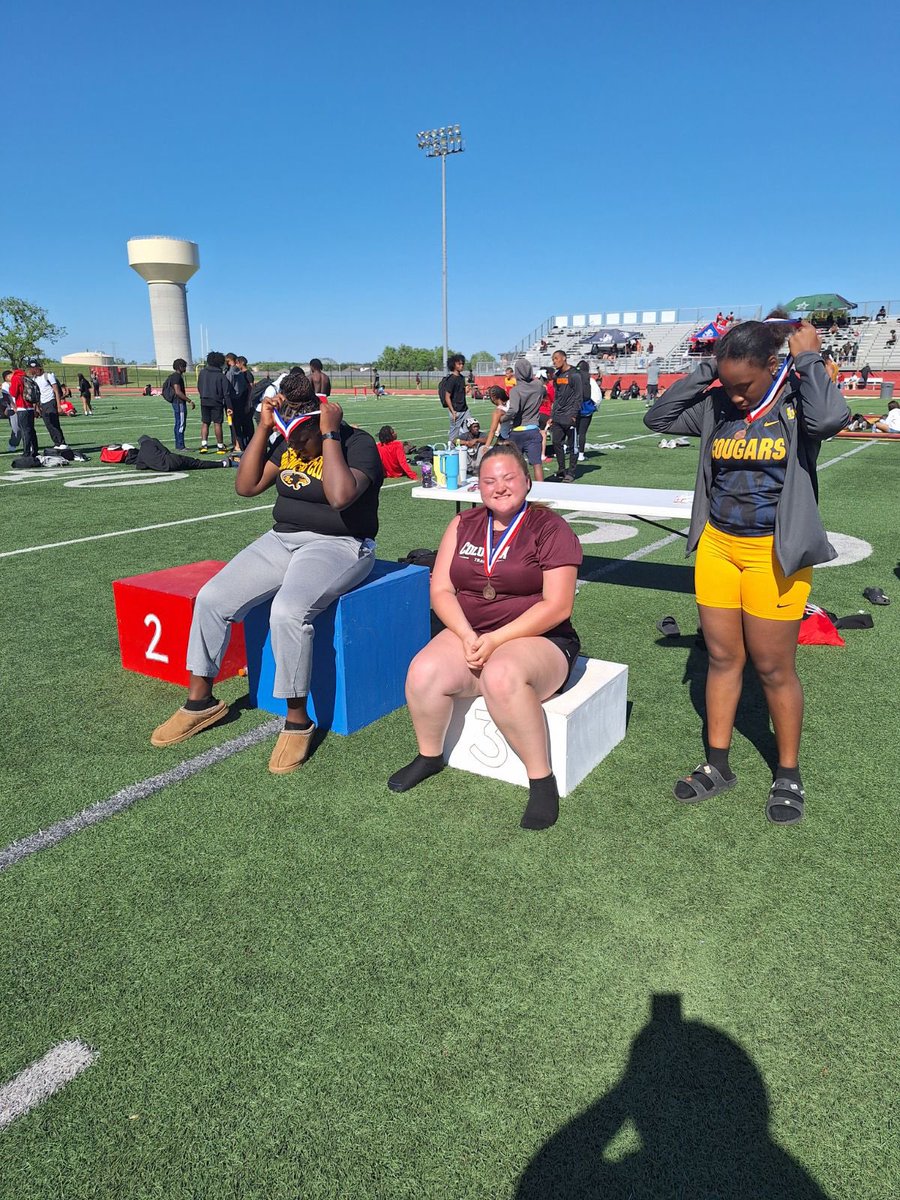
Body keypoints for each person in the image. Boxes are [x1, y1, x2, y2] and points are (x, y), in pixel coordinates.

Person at [644, 313, 850, 825]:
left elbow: (831, 421)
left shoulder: (797, 403)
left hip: (772, 553)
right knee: (720, 657)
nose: (736, 396)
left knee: (773, 667)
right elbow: (659, 418)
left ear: (772, 367)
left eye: (745, 385)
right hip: (718, 545)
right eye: (728, 384)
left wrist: (808, 359)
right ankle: (718, 765)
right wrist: (705, 374)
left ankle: (787, 772)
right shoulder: (717, 405)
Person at [151, 371, 384, 772]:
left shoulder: (356, 443)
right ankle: (202, 700)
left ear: (323, 424)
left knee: (288, 612)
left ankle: (297, 720)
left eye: (302, 440)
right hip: (282, 539)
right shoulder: (288, 438)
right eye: (289, 439)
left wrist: (328, 438)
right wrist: (263, 428)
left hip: (340, 544)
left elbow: (340, 496)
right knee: (212, 598)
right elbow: (247, 485)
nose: (295, 448)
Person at [387, 443, 583, 830]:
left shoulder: (550, 527)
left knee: (501, 676)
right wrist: (464, 634)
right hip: (472, 632)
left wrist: (495, 641)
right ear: (478, 487)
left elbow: (558, 606)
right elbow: (441, 590)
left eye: (509, 477)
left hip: (542, 638)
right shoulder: (463, 524)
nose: (500, 487)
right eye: (489, 480)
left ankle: (541, 778)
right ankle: (430, 755)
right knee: (423, 671)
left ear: (527, 481)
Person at [507, 358, 546, 481]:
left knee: (515, 465)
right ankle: (543, 491)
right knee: (537, 464)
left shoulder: (515, 390)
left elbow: (513, 410)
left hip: (517, 431)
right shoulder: (538, 387)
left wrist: (502, 418)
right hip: (533, 429)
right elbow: (543, 389)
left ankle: (519, 488)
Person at [549, 349, 582, 482]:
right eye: (553, 359)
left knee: (572, 445)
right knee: (556, 442)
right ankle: (562, 469)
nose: (554, 361)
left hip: (570, 415)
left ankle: (572, 472)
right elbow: (557, 396)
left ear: (564, 358)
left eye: (556, 358)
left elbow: (579, 396)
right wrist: (552, 414)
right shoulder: (556, 376)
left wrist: (574, 415)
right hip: (558, 415)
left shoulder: (575, 375)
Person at [196, 350, 233, 454]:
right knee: (217, 423)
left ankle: (204, 445)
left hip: (204, 400)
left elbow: (199, 386)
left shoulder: (202, 372)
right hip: (216, 401)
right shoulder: (221, 375)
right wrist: (229, 407)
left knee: (205, 423)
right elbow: (226, 393)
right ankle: (220, 446)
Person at [32, 361, 68, 449]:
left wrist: (59, 405)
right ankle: (56, 443)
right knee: (48, 424)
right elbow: (36, 393)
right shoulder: (34, 379)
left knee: (54, 422)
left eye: (36, 368)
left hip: (51, 401)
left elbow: (56, 391)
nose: (35, 370)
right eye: (33, 369)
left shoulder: (48, 376)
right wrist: (36, 407)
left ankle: (61, 442)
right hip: (42, 403)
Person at [162, 358, 195, 450]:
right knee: (181, 424)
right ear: (180, 367)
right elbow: (178, 391)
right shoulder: (176, 377)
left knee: (178, 423)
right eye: (184, 366)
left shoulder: (174, 376)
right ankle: (180, 445)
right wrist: (189, 400)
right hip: (179, 402)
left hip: (177, 403)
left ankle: (179, 445)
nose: (185, 368)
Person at [575, 362, 600, 462]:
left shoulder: (573, 378)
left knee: (573, 431)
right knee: (582, 433)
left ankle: (573, 451)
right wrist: (595, 407)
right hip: (586, 409)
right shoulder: (590, 380)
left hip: (574, 408)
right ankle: (581, 454)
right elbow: (597, 396)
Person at [441, 354, 469, 442]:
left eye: (462, 364)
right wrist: (453, 411)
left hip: (465, 409)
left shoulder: (461, 378)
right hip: (456, 411)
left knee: (469, 429)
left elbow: (459, 393)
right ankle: (451, 452)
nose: (461, 366)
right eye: (459, 364)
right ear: (453, 365)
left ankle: (467, 451)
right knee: (454, 435)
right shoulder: (451, 379)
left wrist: (466, 390)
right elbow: (447, 397)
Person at [2, 370, 19, 451]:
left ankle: (29, 444)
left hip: (21, 407)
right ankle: (13, 444)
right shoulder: (5, 385)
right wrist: (14, 407)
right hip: (12, 409)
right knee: (16, 429)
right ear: (5, 378)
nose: (12, 376)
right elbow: (7, 398)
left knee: (24, 428)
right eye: (10, 375)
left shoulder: (16, 382)